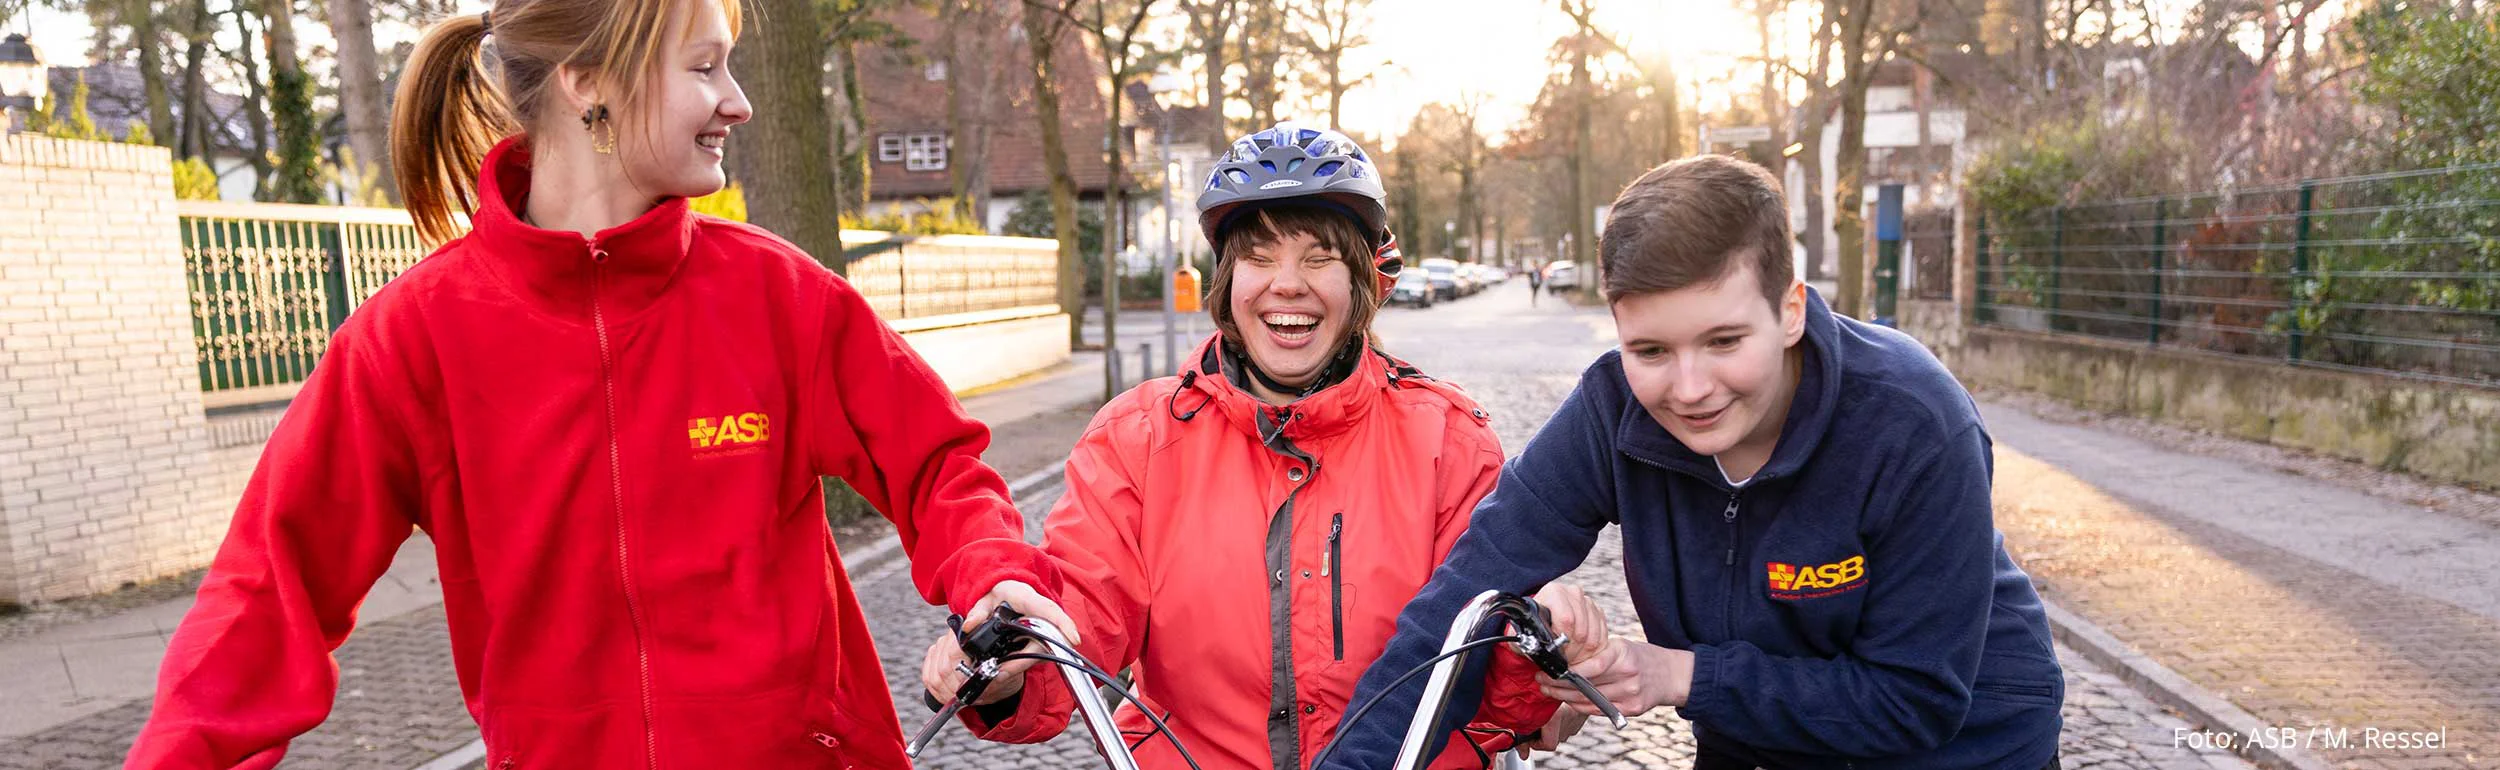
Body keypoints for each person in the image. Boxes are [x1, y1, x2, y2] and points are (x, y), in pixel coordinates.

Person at [122, 1, 1072, 767]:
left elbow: (939, 468)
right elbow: (266, 591)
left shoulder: (782, 300)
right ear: (589, 84)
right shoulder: (409, 343)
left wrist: (995, 583)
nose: (738, 102)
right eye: (703, 67)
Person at [1318, 154, 2066, 770]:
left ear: (1792, 311)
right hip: (1750, 743)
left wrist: (1683, 674)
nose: (1689, 390)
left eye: (1724, 341)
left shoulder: (1913, 424)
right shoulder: (1613, 411)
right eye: (1649, 351)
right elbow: (1466, 590)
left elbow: (1915, 702)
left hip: (1961, 747)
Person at [919, 122, 1559, 768]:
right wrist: (1009, 671)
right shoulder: (1136, 440)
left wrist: (1534, 652)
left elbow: (1495, 683)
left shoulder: (1447, 439)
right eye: (1258, 256)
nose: (1287, 283)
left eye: (1319, 258)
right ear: (1227, 280)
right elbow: (1080, 622)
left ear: (1360, 283)